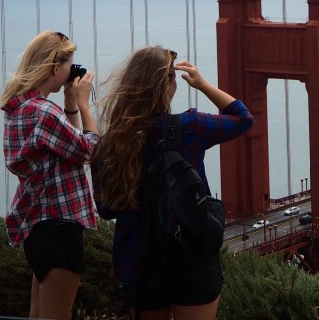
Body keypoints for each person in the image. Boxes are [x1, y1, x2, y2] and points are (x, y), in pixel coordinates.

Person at [93, 46, 254, 320]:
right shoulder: (190, 127)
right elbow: (242, 118)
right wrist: (202, 84)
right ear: (169, 82)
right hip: (191, 258)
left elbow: (107, 210)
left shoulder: (111, 143)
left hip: (139, 264)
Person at [0, 30, 99, 320]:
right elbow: (89, 149)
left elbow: (66, 145)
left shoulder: (19, 109)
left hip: (38, 227)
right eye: (70, 65)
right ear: (56, 68)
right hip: (61, 226)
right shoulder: (44, 113)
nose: (72, 71)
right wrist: (84, 104)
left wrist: (69, 104)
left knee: (39, 315)